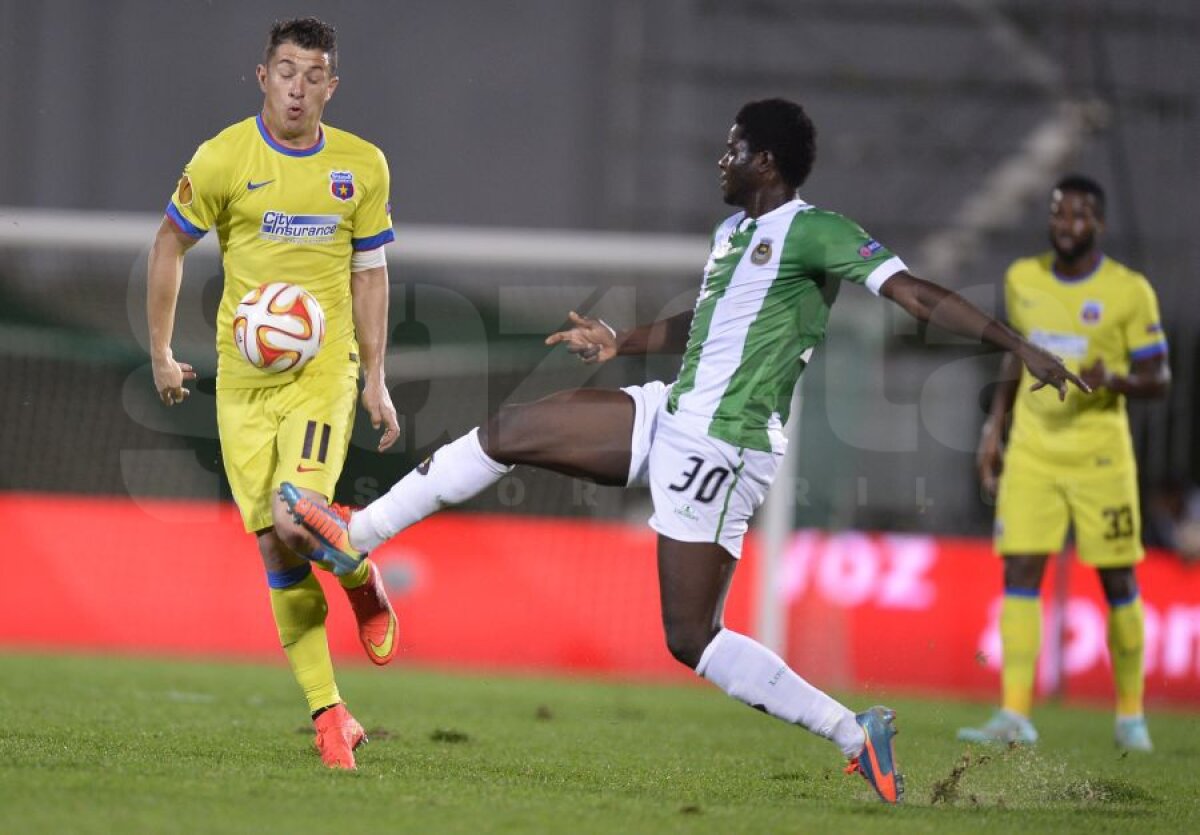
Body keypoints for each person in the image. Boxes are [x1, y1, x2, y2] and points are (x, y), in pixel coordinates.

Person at [283, 98, 1086, 801]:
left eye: (733, 147)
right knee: (510, 432)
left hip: (725, 445)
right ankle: (357, 536)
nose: (720, 158)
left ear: (766, 160)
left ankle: (854, 730)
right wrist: (622, 341)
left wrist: (1016, 344)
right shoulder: (732, 232)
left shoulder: (816, 231)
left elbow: (913, 292)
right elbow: (706, 323)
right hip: (670, 411)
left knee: (691, 636)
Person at [146, 17, 402, 770]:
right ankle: (331, 715)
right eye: (286, 72)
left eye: (312, 75)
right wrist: (161, 352)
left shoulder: (361, 166)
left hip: (322, 374)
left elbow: (370, 273)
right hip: (243, 383)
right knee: (275, 545)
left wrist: (375, 376)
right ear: (263, 77)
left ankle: (361, 578)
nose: (297, 88)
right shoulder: (223, 157)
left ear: (331, 86)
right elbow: (169, 243)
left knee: (296, 514)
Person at [960, 175, 1170, 751]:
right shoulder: (1023, 278)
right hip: (1034, 451)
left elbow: (1159, 377)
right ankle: (1013, 714)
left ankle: (1130, 717)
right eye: (1058, 213)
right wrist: (994, 428)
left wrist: (1117, 379)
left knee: (1117, 578)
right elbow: (1015, 357)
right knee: (1020, 572)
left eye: (1078, 215)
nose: (1066, 225)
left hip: (1100, 456)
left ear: (1098, 223)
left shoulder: (1129, 291)